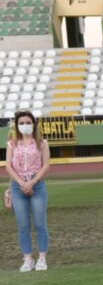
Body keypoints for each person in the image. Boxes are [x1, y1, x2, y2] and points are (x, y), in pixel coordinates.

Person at [5, 110, 50, 272]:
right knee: (23, 225)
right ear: (17, 125)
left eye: (28, 122)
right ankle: (28, 259)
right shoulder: (12, 144)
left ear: (34, 124)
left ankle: (42, 258)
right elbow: (8, 165)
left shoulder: (42, 143)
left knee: (40, 223)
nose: (25, 125)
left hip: (37, 185)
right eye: (22, 123)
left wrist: (32, 182)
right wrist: (21, 183)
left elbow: (46, 165)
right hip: (18, 187)